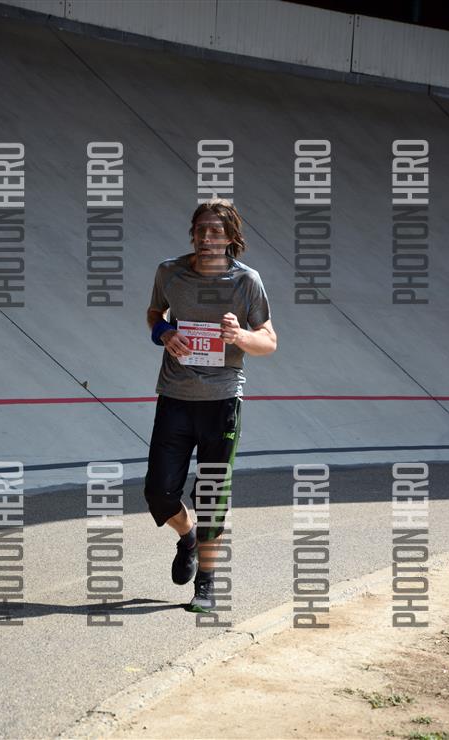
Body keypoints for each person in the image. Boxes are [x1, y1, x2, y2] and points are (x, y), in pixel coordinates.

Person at [144, 199, 277, 612]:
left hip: (222, 401)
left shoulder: (246, 281)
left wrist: (240, 337)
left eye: (216, 231)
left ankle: (206, 583)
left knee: (212, 495)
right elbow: (154, 313)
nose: (206, 237)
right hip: (175, 398)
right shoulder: (170, 272)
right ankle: (186, 536)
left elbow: (269, 340)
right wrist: (165, 333)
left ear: (231, 237)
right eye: (200, 229)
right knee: (158, 493)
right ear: (192, 233)